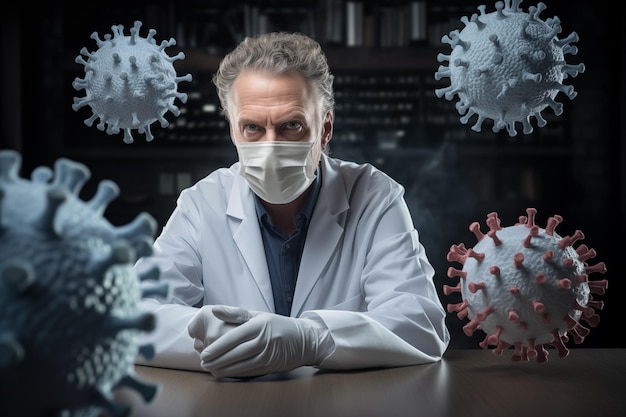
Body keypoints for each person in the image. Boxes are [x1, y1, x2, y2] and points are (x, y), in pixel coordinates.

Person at [134, 31, 450, 378]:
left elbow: (422, 326)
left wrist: (311, 340)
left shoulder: (375, 197)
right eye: (252, 127)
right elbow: (130, 319)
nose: (270, 146)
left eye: (291, 126)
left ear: (325, 128)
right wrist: (208, 336)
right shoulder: (201, 204)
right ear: (233, 132)